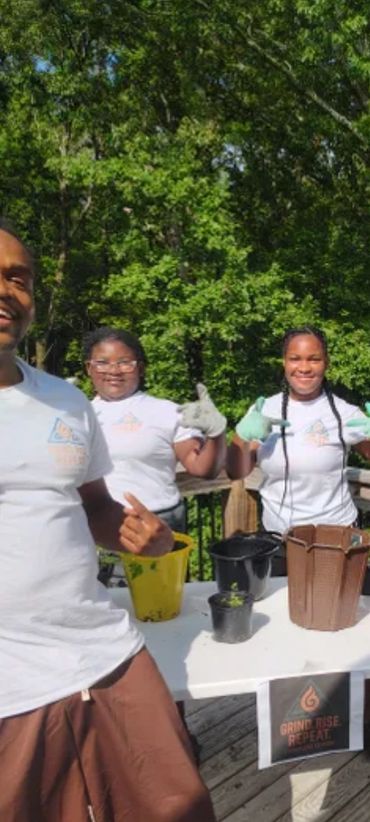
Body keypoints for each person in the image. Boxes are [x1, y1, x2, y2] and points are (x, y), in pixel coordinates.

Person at [0, 223, 216, 822]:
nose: (6, 290)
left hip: (103, 648)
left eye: (18, 277)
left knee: (182, 805)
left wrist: (145, 537)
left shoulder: (64, 401)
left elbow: (93, 505)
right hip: (9, 685)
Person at [226, 326, 370, 534]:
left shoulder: (345, 413)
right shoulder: (265, 410)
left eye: (314, 359)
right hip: (278, 535)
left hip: (335, 536)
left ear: (326, 364)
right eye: (295, 358)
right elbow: (235, 471)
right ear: (284, 363)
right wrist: (241, 436)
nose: (304, 367)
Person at [84, 327, 227, 533]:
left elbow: (203, 469)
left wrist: (216, 432)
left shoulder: (168, 411)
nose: (114, 371)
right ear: (89, 368)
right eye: (102, 363)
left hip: (159, 522)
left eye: (125, 363)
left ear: (140, 368)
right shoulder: (78, 415)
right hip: (94, 523)